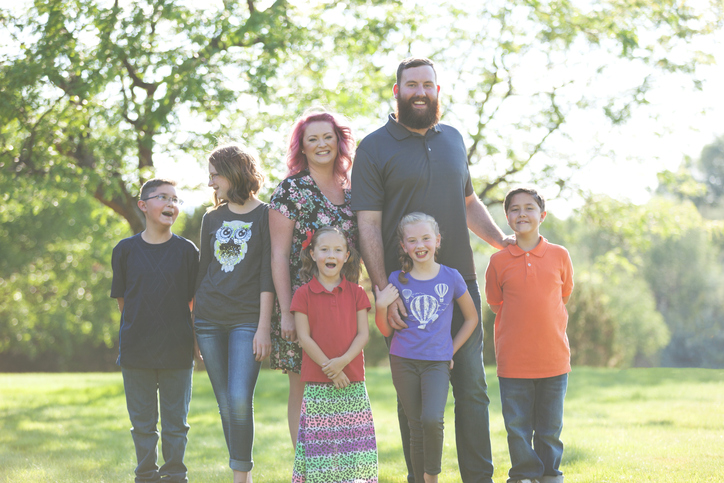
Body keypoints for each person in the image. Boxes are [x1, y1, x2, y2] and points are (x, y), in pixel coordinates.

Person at [352, 57, 513, 483]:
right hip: (404, 293)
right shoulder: (373, 147)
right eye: (411, 85)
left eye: (428, 84)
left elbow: (468, 202)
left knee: (473, 389)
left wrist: (501, 241)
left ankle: (478, 477)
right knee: (416, 401)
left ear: (438, 91)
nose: (420, 92)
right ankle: (419, 478)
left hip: (459, 286)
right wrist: (382, 288)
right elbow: (367, 222)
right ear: (397, 91)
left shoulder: (454, 139)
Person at [269, 108, 358, 448]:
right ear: (302, 148)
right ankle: (306, 466)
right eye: (313, 139)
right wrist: (286, 310)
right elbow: (277, 255)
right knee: (303, 385)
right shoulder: (291, 190)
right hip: (302, 305)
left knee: (342, 380)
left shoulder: (352, 190)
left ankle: (335, 464)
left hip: (342, 303)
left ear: (339, 142)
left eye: (328, 137)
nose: (322, 144)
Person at [375, 212, 479, 483]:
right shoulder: (396, 279)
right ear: (403, 246)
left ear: (437, 240)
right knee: (415, 425)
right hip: (403, 360)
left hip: (437, 363)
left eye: (425, 238)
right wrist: (380, 306)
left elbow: (472, 319)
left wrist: (449, 351)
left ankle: (431, 477)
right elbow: (386, 330)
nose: (420, 245)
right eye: (412, 240)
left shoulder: (451, 277)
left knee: (432, 419)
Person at [193, 144, 273, 483]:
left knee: (240, 398)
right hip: (208, 318)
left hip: (247, 318)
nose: (211, 183)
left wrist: (264, 328)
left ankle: (242, 475)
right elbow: (202, 273)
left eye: (215, 176)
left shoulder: (268, 215)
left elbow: (268, 274)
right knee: (225, 401)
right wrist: (193, 325)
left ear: (233, 173)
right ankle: (241, 473)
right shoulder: (211, 218)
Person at [111, 178, 199, 483]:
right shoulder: (124, 250)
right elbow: (124, 301)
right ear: (143, 205)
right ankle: (145, 476)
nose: (171, 204)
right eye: (163, 197)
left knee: (177, 424)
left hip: (177, 350)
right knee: (143, 425)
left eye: (176, 199)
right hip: (136, 351)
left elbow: (192, 301)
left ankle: (175, 475)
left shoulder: (188, 251)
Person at [485, 187, 574, 483]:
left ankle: (550, 475)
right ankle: (523, 474)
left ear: (542, 215)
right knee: (518, 427)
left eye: (529, 208)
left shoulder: (560, 255)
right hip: (513, 361)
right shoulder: (498, 262)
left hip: (554, 359)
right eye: (514, 209)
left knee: (550, 427)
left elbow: (564, 293)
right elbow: (496, 303)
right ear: (507, 218)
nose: (522, 213)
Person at [290, 225, 378, 482]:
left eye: (338, 250)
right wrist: (330, 367)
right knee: (321, 447)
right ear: (313, 254)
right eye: (325, 249)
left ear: (347, 256)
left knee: (353, 443)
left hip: (351, 380)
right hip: (318, 381)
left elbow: (363, 335)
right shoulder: (303, 294)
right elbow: (304, 337)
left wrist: (341, 364)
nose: (331, 254)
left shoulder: (357, 293)